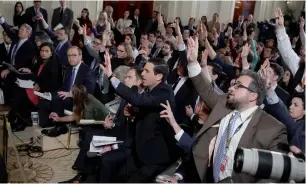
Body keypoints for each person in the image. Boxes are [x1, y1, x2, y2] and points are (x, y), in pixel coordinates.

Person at [166, 37, 287, 183]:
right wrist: (192, 62)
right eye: (233, 84)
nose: (230, 88)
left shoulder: (273, 128)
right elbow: (205, 89)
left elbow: (273, 176)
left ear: (253, 96)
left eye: (238, 86)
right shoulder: (224, 103)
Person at [100, 54, 178, 182]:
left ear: (159, 76)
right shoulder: (152, 90)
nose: (143, 74)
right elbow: (151, 109)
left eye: (147, 71)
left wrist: (111, 77)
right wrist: (135, 112)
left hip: (154, 157)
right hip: (140, 151)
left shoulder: (165, 91)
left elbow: (138, 99)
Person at [62, 66, 144, 183]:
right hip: (118, 133)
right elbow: (120, 124)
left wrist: (112, 146)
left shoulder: (141, 101)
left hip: (125, 143)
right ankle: (83, 176)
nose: (125, 80)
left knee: (97, 146)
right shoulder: (127, 97)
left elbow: (132, 135)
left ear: (139, 81)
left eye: (129, 77)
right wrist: (110, 124)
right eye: (125, 77)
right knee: (89, 135)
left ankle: (86, 178)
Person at [38, 46, 95, 134]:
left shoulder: (87, 71)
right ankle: (47, 125)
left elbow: (89, 92)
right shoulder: (69, 69)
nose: (71, 58)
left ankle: (60, 127)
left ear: (80, 56)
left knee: (58, 99)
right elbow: (63, 88)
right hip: (68, 97)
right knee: (44, 101)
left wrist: (71, 94)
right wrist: (49, 94)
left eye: (74, 55)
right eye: (69, 56)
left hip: (79, 100)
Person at [8, 42, 60, 131]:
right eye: (42, 51)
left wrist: (39, 85)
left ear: (51, 53)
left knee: (21, 94)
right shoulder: (41, 63)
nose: (43, 53)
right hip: (36, 88)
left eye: (46, 51)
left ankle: (15, 118)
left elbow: (53, 84)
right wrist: (35, 81)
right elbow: (37, 77)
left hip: (44, 92)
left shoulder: (53, 65)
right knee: (18, 90)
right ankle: (18, 119)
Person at [0, 16, 36, 104]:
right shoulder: (16, 39)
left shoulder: (29, 46)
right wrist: (1, 19)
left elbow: (22, 62)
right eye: (20, 29)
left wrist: (9, 70)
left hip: (19, 74)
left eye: (22, 30)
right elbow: (8, 30)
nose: (19, 30)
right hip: (10, 70)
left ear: (28, 34)